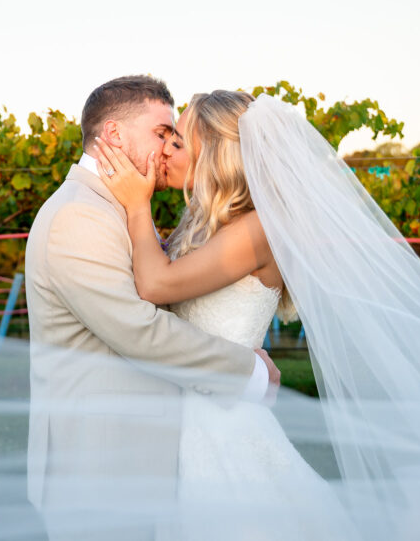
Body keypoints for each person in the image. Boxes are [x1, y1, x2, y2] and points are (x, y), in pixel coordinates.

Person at [94, 89, 420, 540]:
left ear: (215, 155)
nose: (167, 151)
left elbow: (155, 285)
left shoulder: (256, 230)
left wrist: (135, 206)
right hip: (196, 411)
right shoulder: (210, 224)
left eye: (180, 141)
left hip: (222, 426)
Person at [23, 76, 279, 540]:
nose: (168, 149)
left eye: (175, 139)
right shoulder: (79, 216)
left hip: (152, 463)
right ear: (115, 136)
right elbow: (141, 332)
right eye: (163, 133)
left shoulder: (116, 207)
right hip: (100, 471)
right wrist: (248, 371)